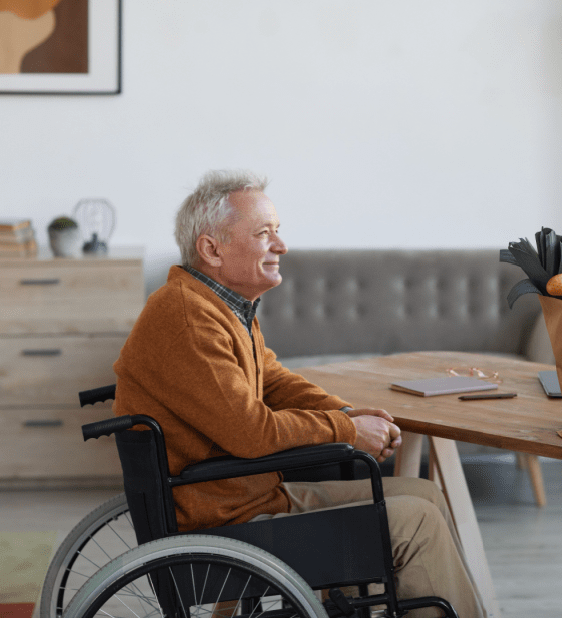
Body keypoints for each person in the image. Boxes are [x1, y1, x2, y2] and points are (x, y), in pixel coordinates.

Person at [113, 170, 485, 618]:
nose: (281, 246)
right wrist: (347, 428)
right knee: (417, 522)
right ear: (212, 249)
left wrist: (346, 413)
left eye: (278, 232)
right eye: (264, 233)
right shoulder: (188, 315)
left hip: (250, 499)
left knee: (424, 495)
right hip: (225, 525)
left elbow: (274, 380)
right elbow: (252, 431)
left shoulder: (221, 306)